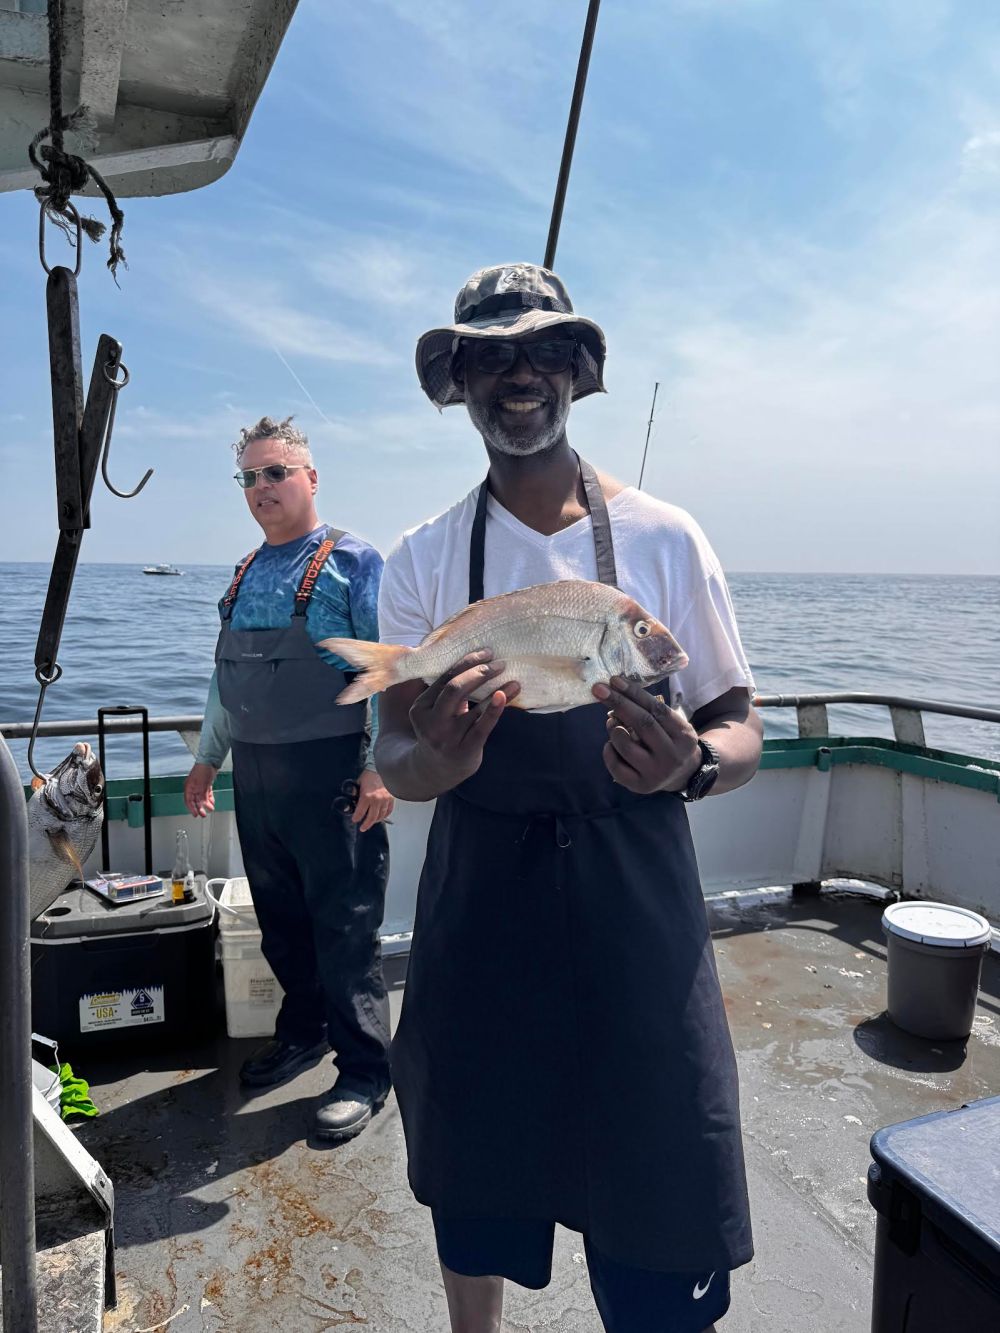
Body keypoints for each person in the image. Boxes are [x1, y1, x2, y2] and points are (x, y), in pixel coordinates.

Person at [374, 265, 762, 1332]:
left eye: (545, 350)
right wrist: (438, 762)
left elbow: (741, 728)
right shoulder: (421, 557)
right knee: (473, 1170)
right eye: (491, 355)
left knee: (664, 1175)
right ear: (459, 381)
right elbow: (396, 756)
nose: (520, 375)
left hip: (639, 912)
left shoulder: (666, 538)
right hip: (481, 907)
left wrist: (691, 764)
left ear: (579, 372)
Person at [184, 416, 393, 1142]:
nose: (261, 487)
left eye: (276, 472)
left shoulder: (353, 561)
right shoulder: (244, 572)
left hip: (334, 776)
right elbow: (225, 677)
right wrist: (208, 758)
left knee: (346, 925)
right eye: (249, 476)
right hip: (257, 777)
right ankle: (304, 1032)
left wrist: (378, 766)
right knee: (281, 919)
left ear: (310, 477)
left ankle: (366, 1069)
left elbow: (390, 672)